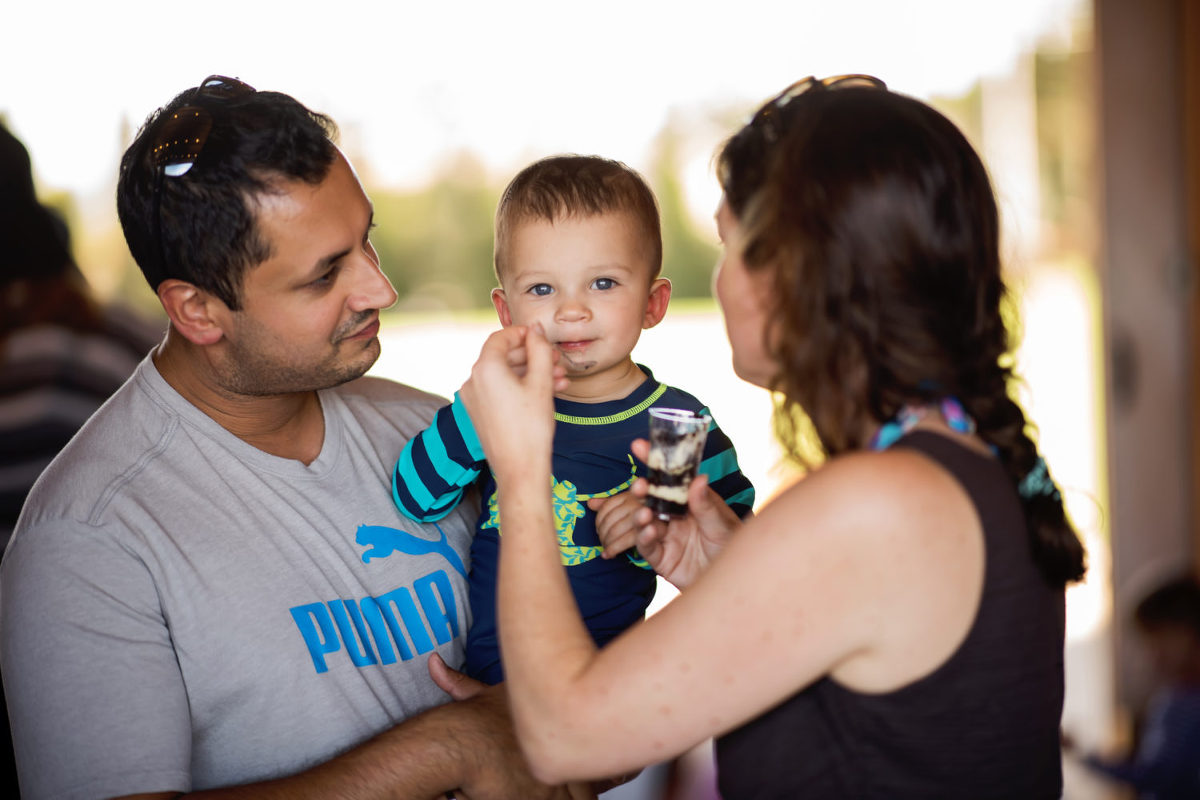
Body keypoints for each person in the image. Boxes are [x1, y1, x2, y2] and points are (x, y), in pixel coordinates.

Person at [439, 75, 1089, 798]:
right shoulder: (962, 464)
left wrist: (522, 470)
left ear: (794, 275)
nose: (717, 282)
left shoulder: (877, 503)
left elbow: (564, 736)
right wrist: (726, 569)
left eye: (730, 246)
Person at [0, 75, 576, 800]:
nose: (379, 290)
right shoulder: (89, 539)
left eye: (365, 241)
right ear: (198, 310)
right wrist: (450, 745)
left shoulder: (437, 432)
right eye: (325, 274)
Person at [391, 154, 755, 684]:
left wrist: (661, 514)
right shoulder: (499, 402)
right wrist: (475, 414)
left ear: (653, 304)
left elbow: (737, 546)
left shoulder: (674, 422)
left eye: (603, 284)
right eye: (542, 289)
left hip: (616, 683)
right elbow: (415, 500)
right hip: (493, 681)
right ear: (506, 310)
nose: (571, 311)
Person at [1072, 573, 1200, 799]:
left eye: (1159, 638)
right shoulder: (1175, 698)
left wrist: (1088, 757)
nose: (1153, 653)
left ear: (1189, 632)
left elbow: (1156, 775)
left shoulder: (1182, 705)